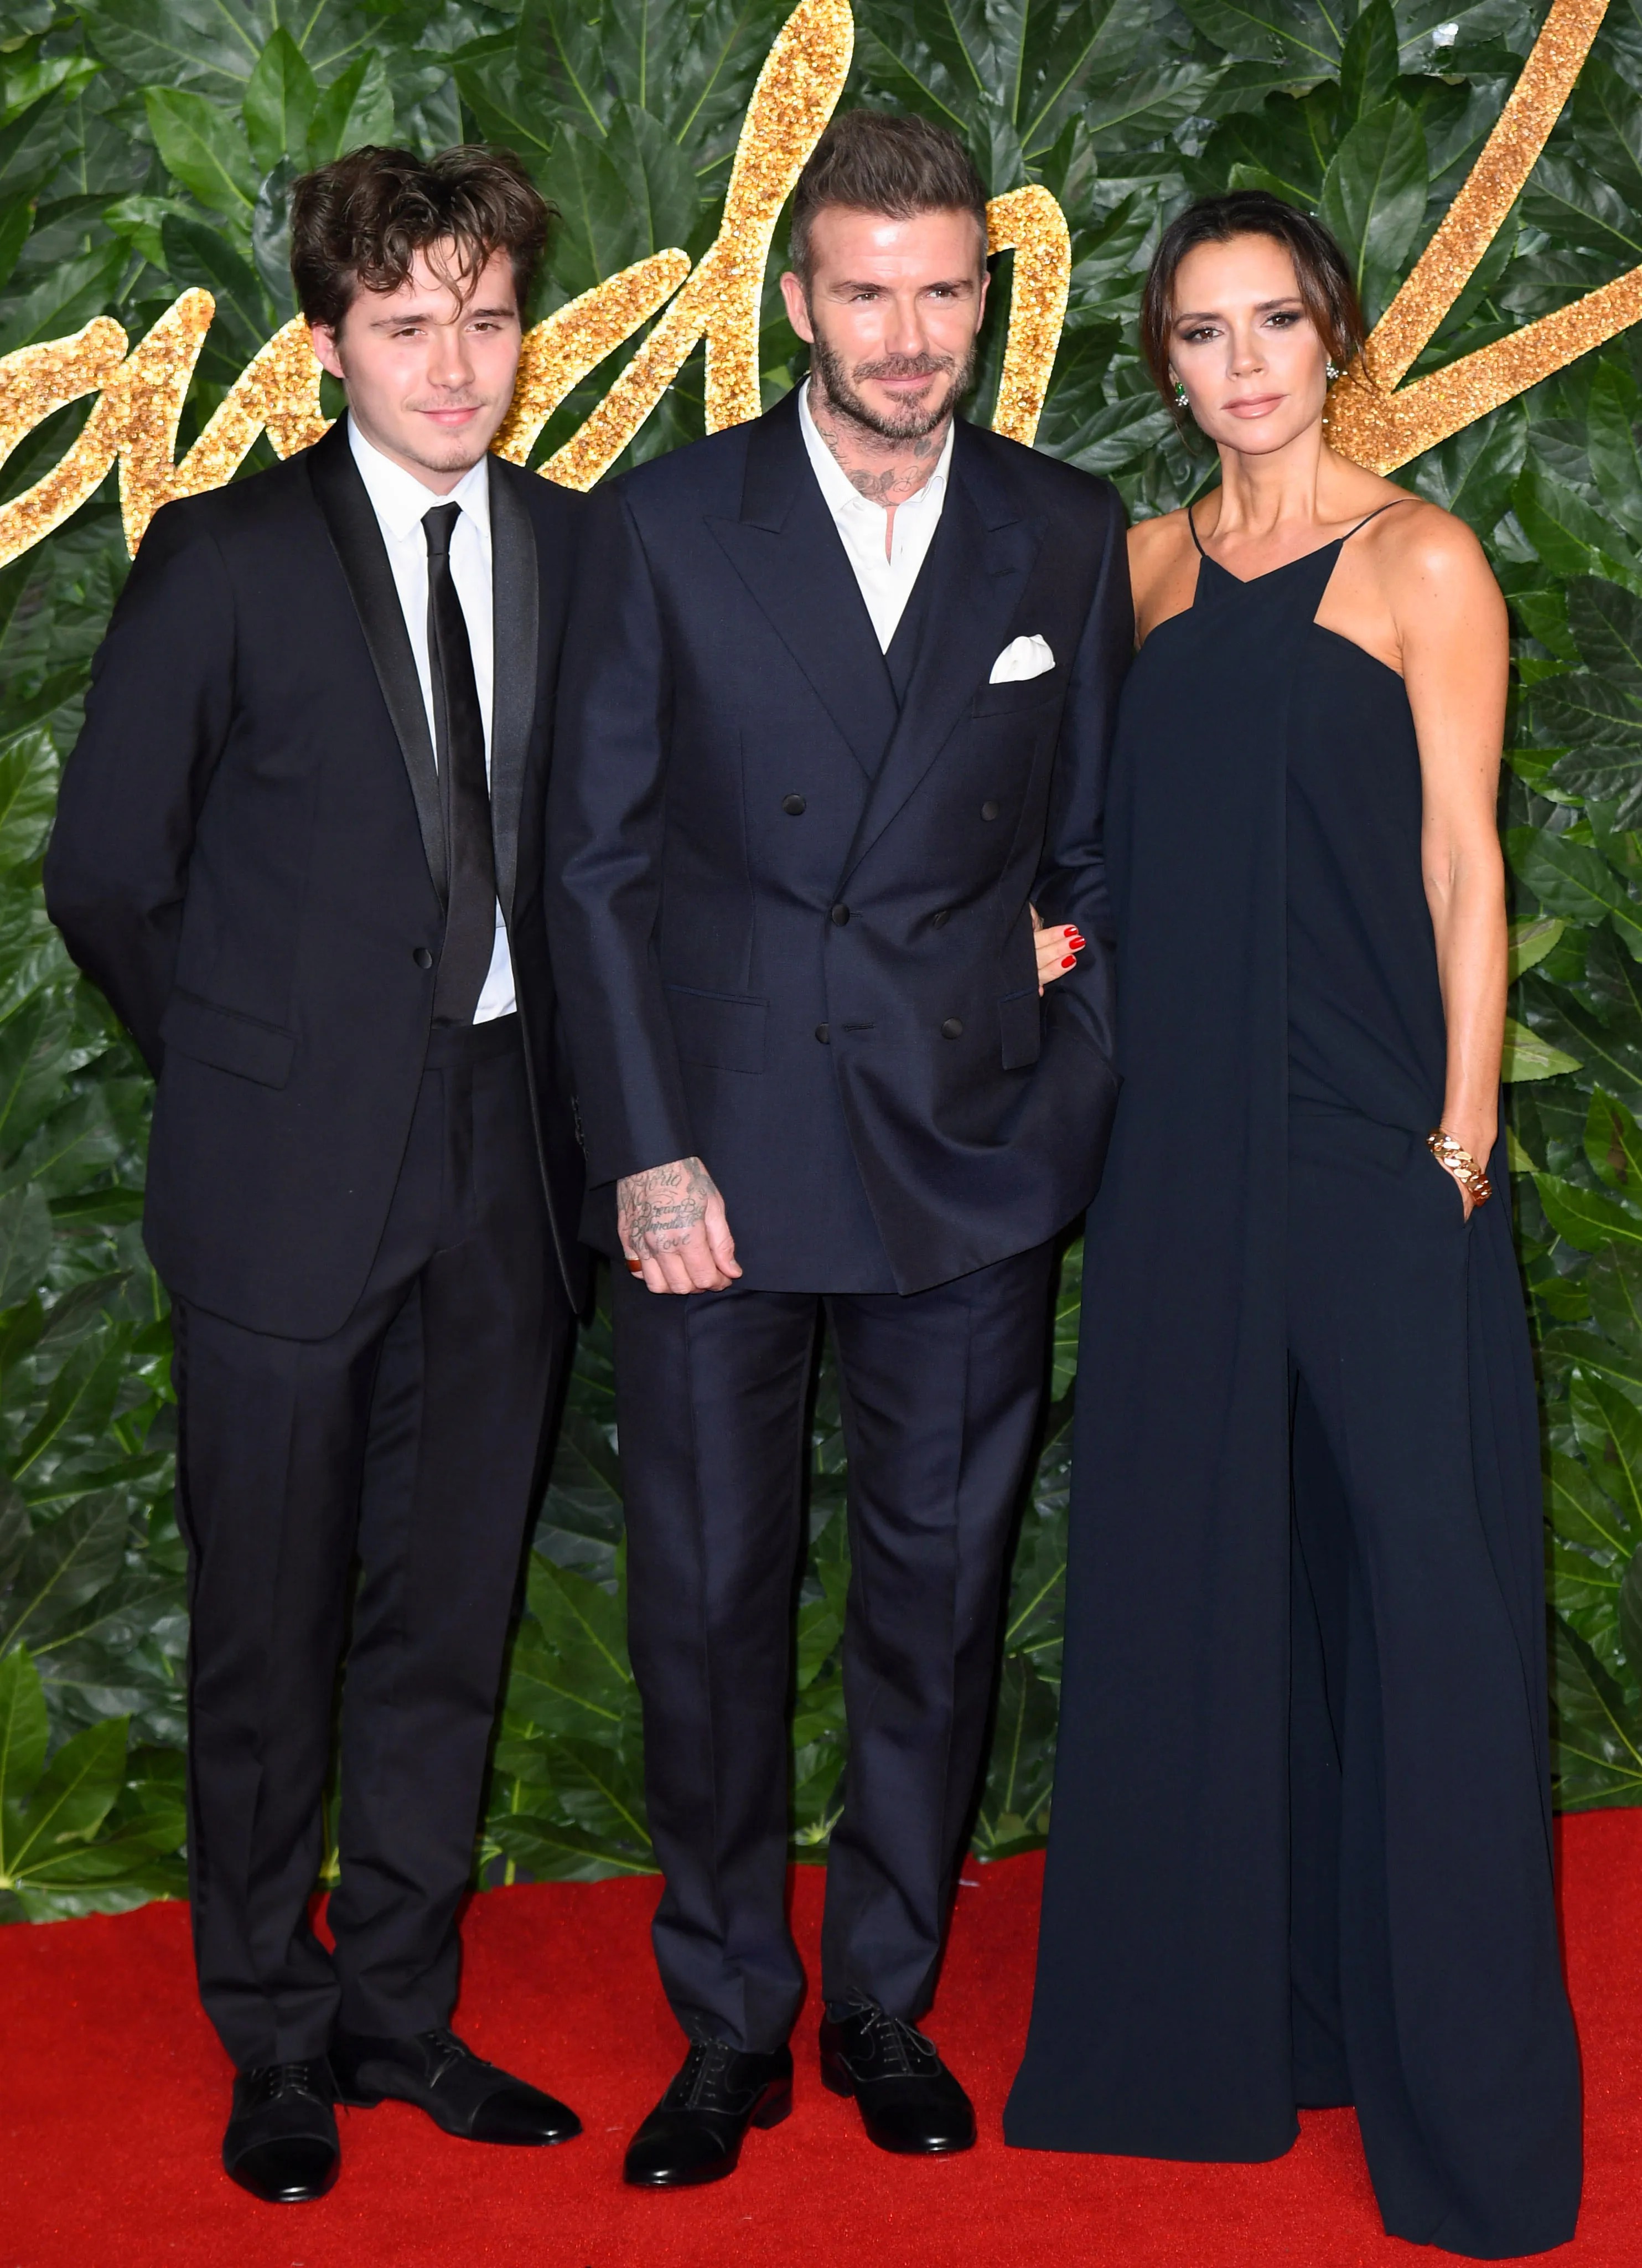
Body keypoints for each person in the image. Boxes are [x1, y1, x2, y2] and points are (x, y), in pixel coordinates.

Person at [548, 107, 1130, 2188]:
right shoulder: (666, 523)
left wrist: (1049, 1080)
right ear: (797, 300)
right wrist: (642, 1154)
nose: (905, 335)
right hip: (716, 1165)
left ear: (988, 297)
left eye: (941, 291)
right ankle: (726, 2017)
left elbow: (1084, 858)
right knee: (705, 1604)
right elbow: (593, 866)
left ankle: (881, 1993)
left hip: (966, 1159)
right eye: (865, 292)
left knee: (933, 1603)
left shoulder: (1062, 532)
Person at [1004, 192, 1582, 2257]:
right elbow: (1083, 849)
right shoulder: (1141, 569)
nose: (1240, 362)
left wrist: (1456, 1140)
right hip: (1173, 1159)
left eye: (1274, 323)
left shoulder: (1420, 559)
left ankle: (1467, 2108)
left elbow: (1460, 865)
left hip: (1365, 1149)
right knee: (1198, 1573)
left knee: (1421, 1602)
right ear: (1160, 360)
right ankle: (1230, 2028)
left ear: (1330, 335)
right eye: (1199, 331)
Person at [44, 146, 589, 2205]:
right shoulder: (226, 558)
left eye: (486, 317)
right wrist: (256, 1071)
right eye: (407, 324)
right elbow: (104, 871)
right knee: (266, 1635)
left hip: (507, 1162)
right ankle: (270, 2038)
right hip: (281, 1177)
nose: (456, 364)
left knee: (446, 1623)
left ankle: (397, 2015)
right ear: (329, 344)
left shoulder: (572, 550)